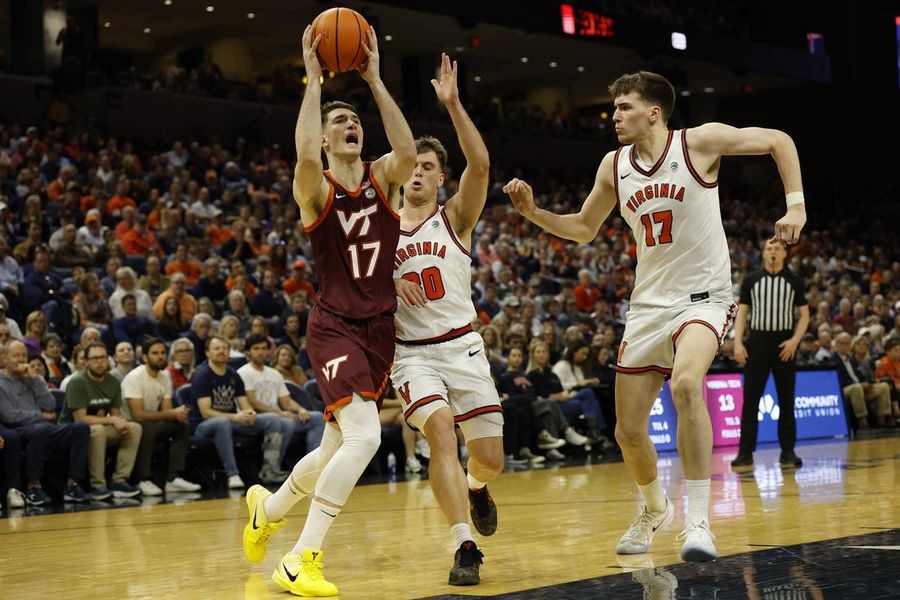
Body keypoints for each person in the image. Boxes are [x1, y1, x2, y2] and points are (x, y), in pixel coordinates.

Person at [503, 70, 806, 562]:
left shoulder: (699, 143)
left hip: (703, 297)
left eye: (624, 107)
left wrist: (795, 206)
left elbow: (778, 140)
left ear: (654, 112)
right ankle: (653, 507)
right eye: (615, 107)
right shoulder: (613, 165)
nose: (615, 115)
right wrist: (534, 213)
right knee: (628, 432)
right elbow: (583, 228)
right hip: (647, 305)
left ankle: (700, 521)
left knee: (687, 385)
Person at [241, 23, 416, 597]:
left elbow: (410, 152)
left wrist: (375, 80)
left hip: (379, 329)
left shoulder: (384, 179)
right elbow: (300, 153)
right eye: (339, 122)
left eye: (355, 120)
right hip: (334, 325)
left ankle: (268, 509)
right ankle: (300, 558)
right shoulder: (314, 189)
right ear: (323, 138)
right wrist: (314, 82)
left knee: (335, 448)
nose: (351, 125)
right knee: (365, 439)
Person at [389, 53, 505, 586]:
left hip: (464, 346)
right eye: (411, 164)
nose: (417, 172)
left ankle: (477, 489)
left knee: (489, 458)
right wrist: (389, 281)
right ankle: (463, 546)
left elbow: (480, 167)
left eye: (428, 167)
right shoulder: (377, 228)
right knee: (439, 434)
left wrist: (455, 105)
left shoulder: (454, 217)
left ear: (441, 180)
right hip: (411, 354)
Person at [731, 239, 809, 469]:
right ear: (763, 253)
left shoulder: (795, 281)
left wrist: (795, 340)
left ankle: (788, 452)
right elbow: (742, 313)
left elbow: (804, 314)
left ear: (784, 253)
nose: (772, 251)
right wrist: (737, 343)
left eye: (777, 248)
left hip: (784, 345)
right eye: (768, 248)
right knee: (750, 401)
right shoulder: (752, 280)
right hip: (757, 343)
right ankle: (745, 453)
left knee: (786, 401)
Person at [190, 336, 289, 489]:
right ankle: (232, 474)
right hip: (203, 426)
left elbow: (244, 404)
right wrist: (235, 417)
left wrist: (250, 414)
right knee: (223, 422)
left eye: (224, 348)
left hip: (231, 421)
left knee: (273, 419)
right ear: (207, 352)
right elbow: (205, 412)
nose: (221, 351)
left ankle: (270, 470)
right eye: (217, 348)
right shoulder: (202, 375)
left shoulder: (232, 374)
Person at [0, 341, 90, 505]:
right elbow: (10, 416)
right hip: (18, 430)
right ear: (4, 358)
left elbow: (50, 405)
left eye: (23, 355)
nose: (21, 359)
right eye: (16, 356)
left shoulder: (34, 378)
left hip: (45, 428)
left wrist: (35, 380)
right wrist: (42, 416)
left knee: (81, 428)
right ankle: (33, 487)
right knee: (40, 429)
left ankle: (72, 484)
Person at [59, 342, 143, 500]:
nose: (99, 362)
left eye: (103, 358)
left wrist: (120, 422)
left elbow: (116, 414)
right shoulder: (77, 382)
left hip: (100, 425)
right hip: (73, 431)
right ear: (86, 362)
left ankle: (120, 481)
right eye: (95, 358)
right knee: (98, 430)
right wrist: (112, 420)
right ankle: (98, 485)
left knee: (134, 428)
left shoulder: (112, 381)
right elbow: (80, 419)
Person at [237, 334, 324, 480]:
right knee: (285, 422)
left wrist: (301, 409)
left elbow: (286, 401)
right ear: (248, 352)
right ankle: (271, 469)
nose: (260, 352)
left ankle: (314, 468)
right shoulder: (243, 372)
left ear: (269, 351)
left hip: (278, 416)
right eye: (256, 348)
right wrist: (279, 413)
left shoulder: (274, 373)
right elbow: (252, 402)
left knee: (317, 417)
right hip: (256, 418)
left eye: (264, 348)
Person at [122, 338, 201, 496]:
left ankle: (173, 478)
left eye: (163, 353)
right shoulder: (135, 377)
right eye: (155, 353)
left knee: (182, 426)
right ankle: (143, 479)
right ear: (145, 357)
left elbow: (166, 410)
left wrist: (178, 414)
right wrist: (171, 413)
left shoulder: (164, 378)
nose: (160, 356)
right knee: (147, 427)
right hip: (129, 423)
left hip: (151, 421)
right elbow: (137, 415)